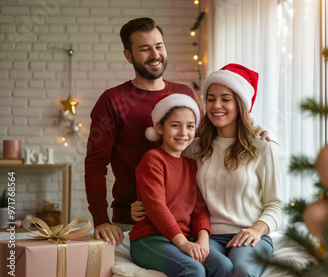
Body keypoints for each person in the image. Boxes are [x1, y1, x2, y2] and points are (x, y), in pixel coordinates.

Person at [85, 17, 270, 246]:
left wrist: (252, 130)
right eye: (144, 49)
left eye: (159, 46)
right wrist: (101, 220)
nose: (155, 54)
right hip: (135, 219)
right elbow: (95, 164)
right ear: (128, 55)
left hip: (186, 222)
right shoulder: (112, 100)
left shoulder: (184, 94)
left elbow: (212, 138)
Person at [133, 63, 284, 277]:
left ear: (240, 103)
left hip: (249, 234)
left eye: (225, 99)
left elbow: (276, 205)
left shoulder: (263, 148)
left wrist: (256, 230)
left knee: (240, 272)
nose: (216, 105)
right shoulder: (193, 148)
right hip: (207, 236)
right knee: (219, 267)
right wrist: (141, 203)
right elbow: (176, 189)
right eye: (211, 98)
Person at [129, 93, 231, 277]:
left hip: (183, 239)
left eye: (190, 126)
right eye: (175, 125)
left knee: (224, 266)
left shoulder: (191, 165)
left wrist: (202, 240)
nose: (183, 133)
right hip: (149, 240)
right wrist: (184, 244)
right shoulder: (153, 160)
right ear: (160, 127)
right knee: (192, 270)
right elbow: (156, 207)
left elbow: (199, 210)